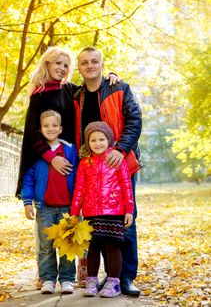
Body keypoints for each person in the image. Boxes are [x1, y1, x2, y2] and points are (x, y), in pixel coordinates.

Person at [15, 46, 119, 287]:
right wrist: (51, 158)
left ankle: (78, 271)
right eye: (57, 64)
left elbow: (94, 85)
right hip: (47, 160)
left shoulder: (70, 89)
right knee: (45, 225)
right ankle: (46, 273)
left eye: (65, 65)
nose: (61, 68)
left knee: (74, 216)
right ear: (47, 65)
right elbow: (32, 132)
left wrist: (113, 74)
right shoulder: (38, 94)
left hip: (72, 159)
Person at [73, 46, 142, 297]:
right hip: (91, 170)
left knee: (126, 221)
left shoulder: (119, 88)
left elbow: (135, 120)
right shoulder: (76, 95)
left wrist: (120, 149)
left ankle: (126, 278)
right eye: (84, 63)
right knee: (99, 227)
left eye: (94, 62)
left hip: (119, 164)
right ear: (78, 68)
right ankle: (109, 277)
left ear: (102, 65)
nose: (90, 66)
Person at [71, 121, 134, 298]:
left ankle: (114, 282)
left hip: (114, 212)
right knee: (92, 247)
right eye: (93, 140)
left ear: (109, 140)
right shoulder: (85, 164)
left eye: (101, 139)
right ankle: (91, 280)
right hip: (91, 212)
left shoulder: (116, 160)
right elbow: (79, 190)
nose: (97, 143)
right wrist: (75, 212)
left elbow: (126, 186)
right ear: (87, 143)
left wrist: (129, 209)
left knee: (113, 247)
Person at [20, 110, 78, 294]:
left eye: (54, 125)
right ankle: (48, 279)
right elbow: (28, 178)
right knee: (46, 246)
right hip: (44, 207)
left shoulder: (69, 149)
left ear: (60, 129)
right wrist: (27, 201)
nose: (50, 129)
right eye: (46, 126)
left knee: (67, 243)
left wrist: (78, 202)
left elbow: (78, 176)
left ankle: (68, 279)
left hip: (67, 207)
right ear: (40, 129)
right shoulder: (37, 153)